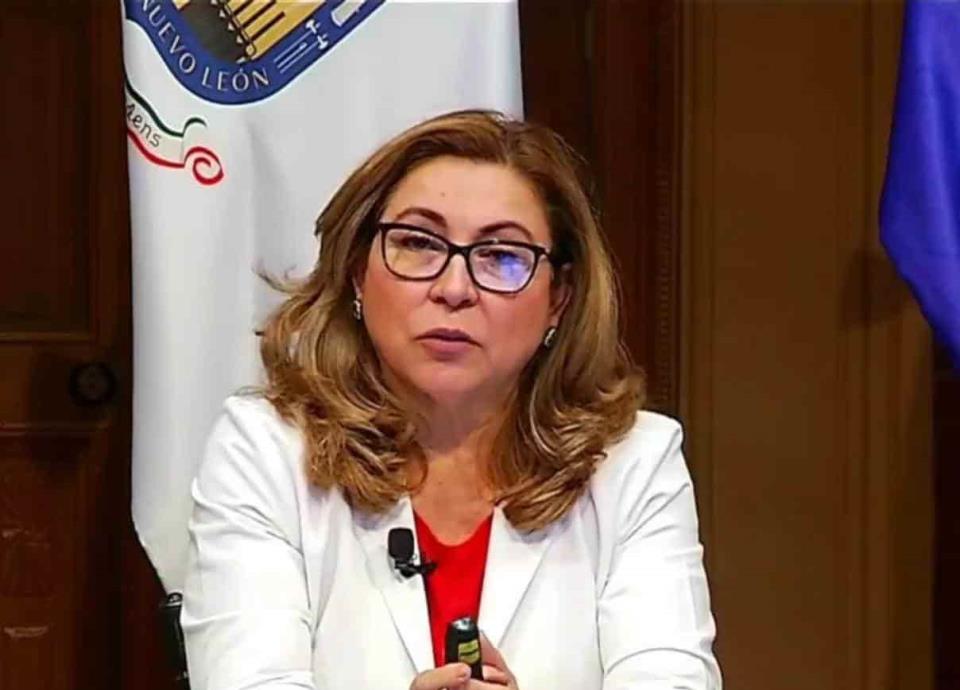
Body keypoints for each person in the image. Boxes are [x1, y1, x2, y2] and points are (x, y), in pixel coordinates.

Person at [181, 110, 722, 690]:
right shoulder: (265, 450)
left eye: (502, 256)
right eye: (417, 243)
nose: (454, 288)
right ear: (358, 271)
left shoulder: (635, 463)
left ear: (559, 299)